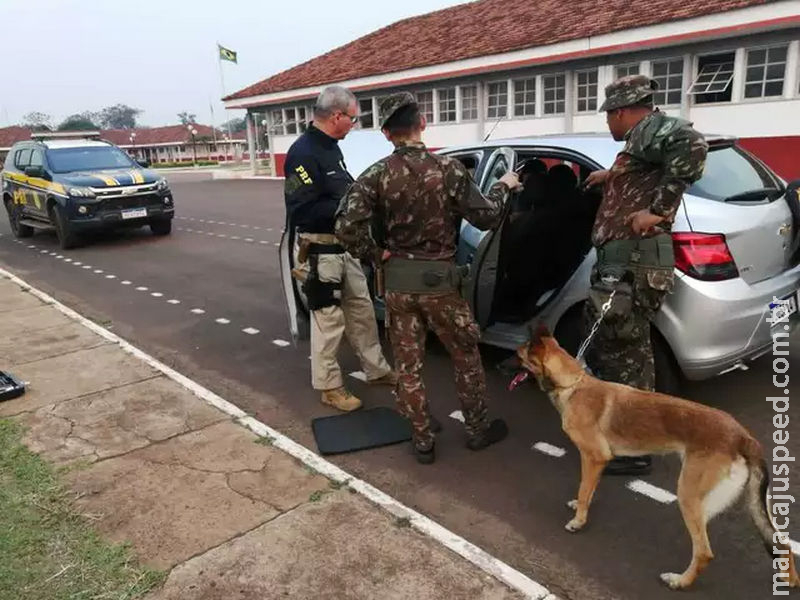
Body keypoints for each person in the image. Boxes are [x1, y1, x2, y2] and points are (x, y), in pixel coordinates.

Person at [334, 92, 522, 464]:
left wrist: (375, 254)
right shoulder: (449, 170)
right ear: (422, 123)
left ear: (387, 133)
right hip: (442, 287)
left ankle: (421, 440)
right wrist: (505, 185)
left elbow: (344, 226)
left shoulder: (376, 174)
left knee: (408, 366)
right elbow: (486, 217)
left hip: (399, 286)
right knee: (466, 356)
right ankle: (477, 430)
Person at [583, 75, 708, 475]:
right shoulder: (638, 143)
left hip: (632, 262)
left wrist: (659, 209)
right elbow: (643, 174)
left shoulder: (652, 129)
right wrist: (611, 176)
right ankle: (638, 440)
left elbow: (694, 144)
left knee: (622, 354)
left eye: (609, 117)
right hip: (628, 263)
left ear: (622, 112)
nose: (608, 125)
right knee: (631, 353)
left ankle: (633, 450)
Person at [283, 85, 396, 413]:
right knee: (328, 322)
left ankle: (376, 370)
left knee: (361, 310)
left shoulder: (331, 148)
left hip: (343, 247)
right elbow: (299, 210)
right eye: (353, 118)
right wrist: (351, 209)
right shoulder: (301, 154)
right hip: (319, 251)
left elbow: (340, 191)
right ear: (336, 116)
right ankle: (330, 387)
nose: (354, 124)